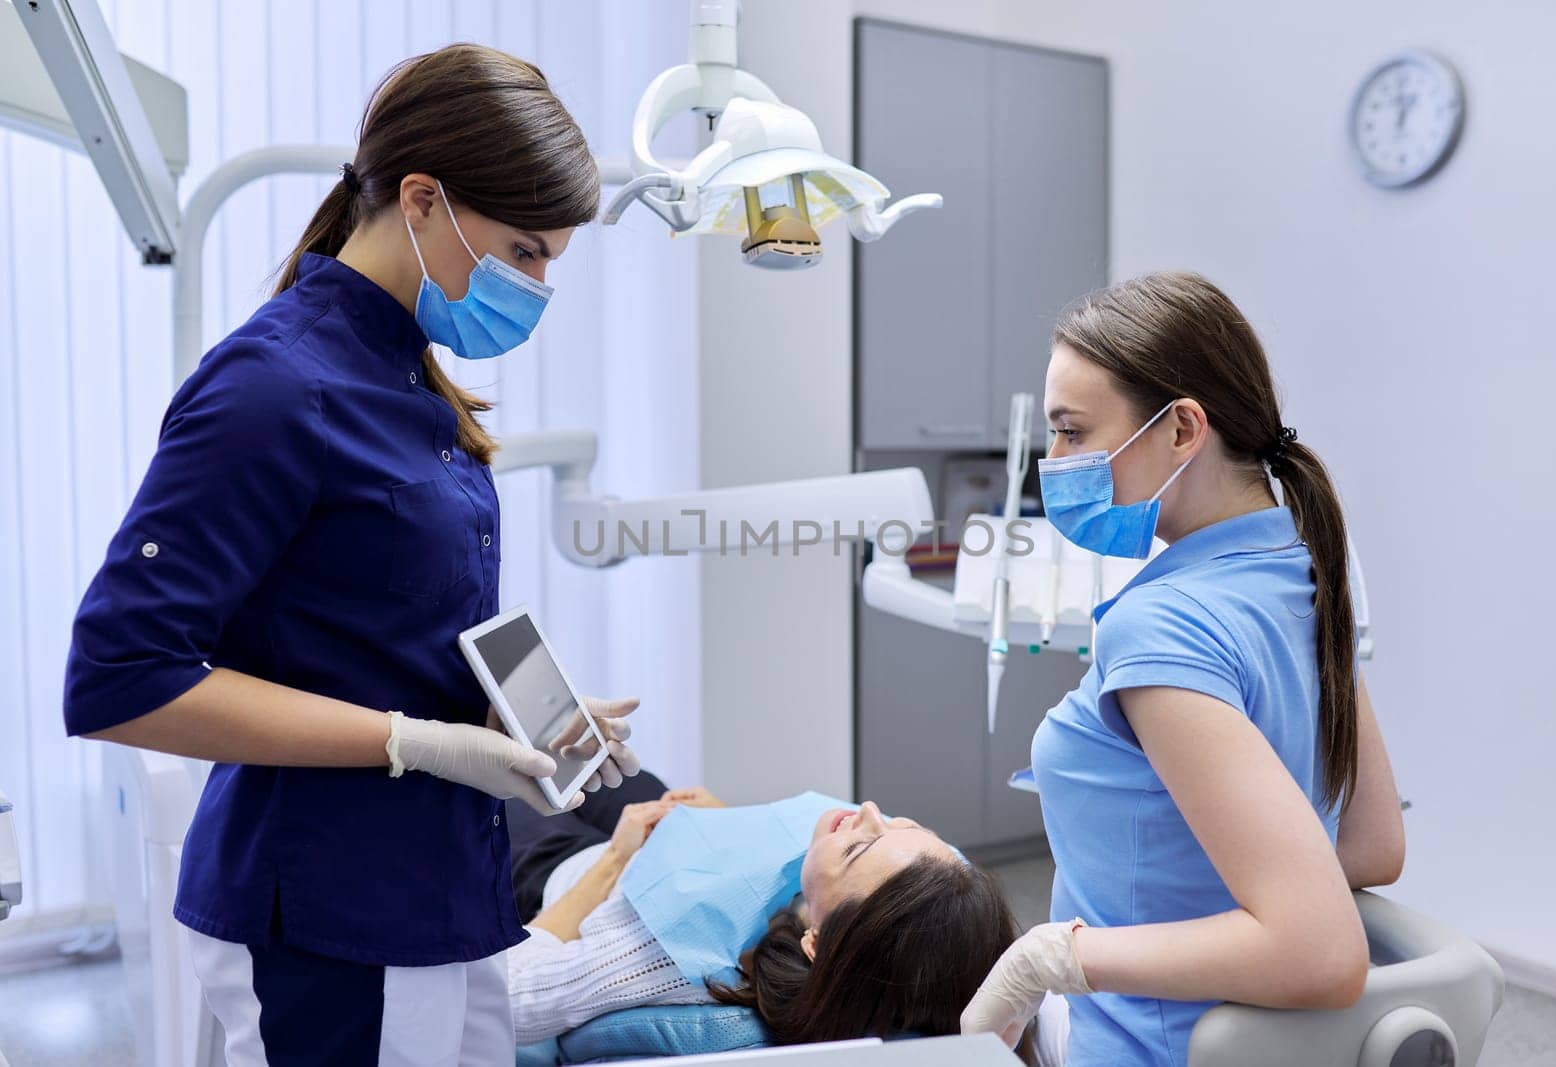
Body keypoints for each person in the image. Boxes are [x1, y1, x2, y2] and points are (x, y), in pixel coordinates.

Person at [62, 44, 640, 1066]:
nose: (539, 286)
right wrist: (412, 741)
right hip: (328, 911)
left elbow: (375, 632)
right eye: (524, 251)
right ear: (420, 199)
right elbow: (120, 677)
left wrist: (519, 721)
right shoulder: (272, 387)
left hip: (437, 891)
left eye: (551, 257)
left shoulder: (403, 373)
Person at [963, 272, 1406, 1065]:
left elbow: (1320, 953)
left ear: (1182, 429)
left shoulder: (1161, 627)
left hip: (1145, 1041)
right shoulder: (1306, 573)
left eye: (1071, 431)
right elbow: (1371, 844)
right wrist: (1237, 874)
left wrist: (1052, 956)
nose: (1053, 461)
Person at [503, 776, 1067, 1066]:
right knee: (601, 757)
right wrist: (727, 831)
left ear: (817, 942)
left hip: (575, 879)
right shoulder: (943, 942)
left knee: (517, 786)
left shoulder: (674, 956)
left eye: (856, 850)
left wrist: (614, 860)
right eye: (903, 825)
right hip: (668, 849)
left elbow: (511, 1001)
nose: (869, 812)